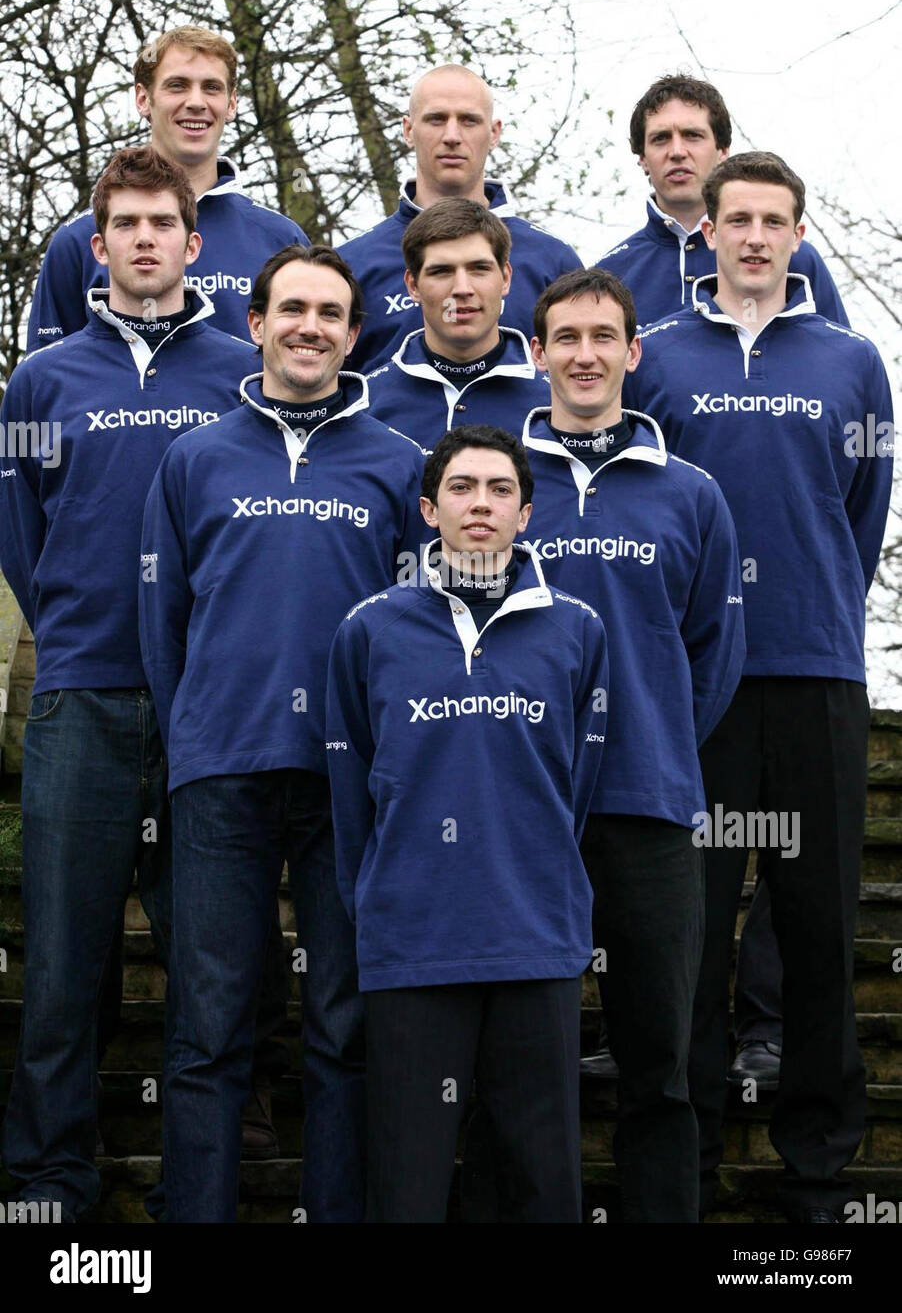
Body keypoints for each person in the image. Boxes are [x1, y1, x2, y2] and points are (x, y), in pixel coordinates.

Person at [624, 151, 893, 1221]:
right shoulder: (656, 359)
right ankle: (679, 1164)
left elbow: (858, 509)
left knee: (819, 924)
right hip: (694, 686)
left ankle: (818, 1161)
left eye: (770, 221)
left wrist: (813, 596)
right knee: (686, 934)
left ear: (793, 234)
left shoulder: (850, 359)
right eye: (733, 219)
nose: (749, 237)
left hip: (814, 669)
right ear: (709, 231)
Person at [139, 244, 427, 1223]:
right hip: (219, 773)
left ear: (353, 335)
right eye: (290, 309)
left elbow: (416, 631)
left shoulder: (398, 466)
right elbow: (163, 619)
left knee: (344, 1028)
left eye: (330, 313)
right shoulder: (194, 457)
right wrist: (192, 736)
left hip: (350, 785)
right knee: (207, 1031)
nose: (309, 327)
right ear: (254, 323)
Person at [0, 146, 257, 1221]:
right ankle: (50, 1177)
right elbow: (21, 540)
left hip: (208, 703)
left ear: (194, 243)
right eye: (126, 226)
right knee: (64, 957)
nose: (146, 240)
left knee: (213, 967)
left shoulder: (242, 367)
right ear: (95, 248)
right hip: (83, 694)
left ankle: (205, 1186)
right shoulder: (40, 381)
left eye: (164, 223)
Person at [326, 424, 608, 1222]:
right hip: (412, 941)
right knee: (406, 1185)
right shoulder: (369, 629)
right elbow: (353, 791)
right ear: (427, 508)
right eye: (460, 488)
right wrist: (378, 903)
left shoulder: (577, 629)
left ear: (526, 514)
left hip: (536, 935)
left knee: (541, 1183)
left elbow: (574, 787)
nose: (479, 504)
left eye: (499, 490)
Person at [522, 267, 744, 1220]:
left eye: (601, 337)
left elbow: (711, 652)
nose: (583, 354)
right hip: (517, 812)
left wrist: (651, 740)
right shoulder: (490, 481)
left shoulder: (691, 494)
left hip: (649, 805)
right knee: (520, 1068)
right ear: (535, 354)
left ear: (632, 352)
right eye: (564, 337)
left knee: (662, 1063)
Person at [27, 25, 309, 348]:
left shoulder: (282, 240)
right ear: (144, 99)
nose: (196, 102)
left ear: (231, 104)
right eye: (177, 86)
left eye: (212, 88)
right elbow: (46, 384)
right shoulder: (78, 241)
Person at [340, 65, 581, 374]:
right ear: (408, 130)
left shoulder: (552, 260)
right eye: (436, 119)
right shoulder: (352, 263)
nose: (452, 136)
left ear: (494, 132)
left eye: (469, 121)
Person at [595, 74, 847, 329]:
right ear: (642, 158)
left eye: (692, 135)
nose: (677, 152)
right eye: (661, 138)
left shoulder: (793, 257)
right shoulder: (610, 274)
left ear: (722, 151)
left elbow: (839, 357)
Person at [366, 198, 549, 448]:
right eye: (441, 271)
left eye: (479, 269)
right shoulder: (365, 403)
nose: (462, 289)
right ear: (413, 286)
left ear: (505, 278)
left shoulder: (556, 403)